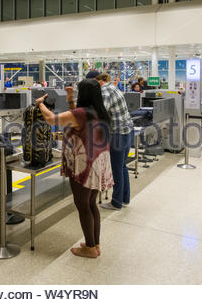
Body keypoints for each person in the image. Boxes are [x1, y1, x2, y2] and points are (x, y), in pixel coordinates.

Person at [34, 79, 114, 258]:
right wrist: (70, 99)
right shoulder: (99, 112)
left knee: (82, 204)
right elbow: (75, 116)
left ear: (84, 94)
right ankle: (94, 244)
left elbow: (50, 119)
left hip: (83, 165)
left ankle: (90, 249)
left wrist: (40, 104)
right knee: (91, 203)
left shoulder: (81, 113)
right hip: (97, 162)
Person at [94, 73, 134, 210]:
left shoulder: (104, 90)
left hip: (118, 134)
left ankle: (116, 202)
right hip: (127, 131)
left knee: (116, 168)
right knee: (122, 166)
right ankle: (124, 199)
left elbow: (101, 112)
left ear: (97, 81)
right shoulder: (113, 88)